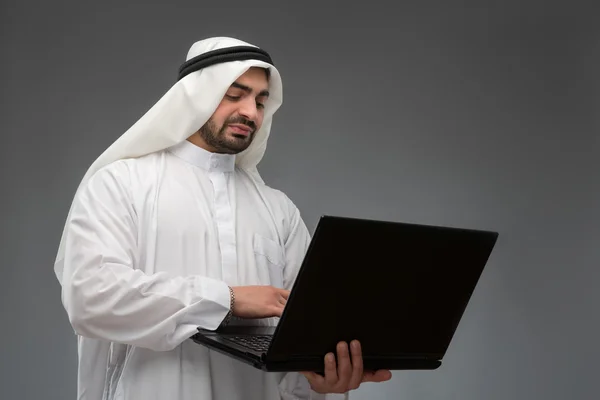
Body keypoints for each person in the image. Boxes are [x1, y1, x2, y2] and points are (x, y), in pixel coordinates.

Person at [54, 36, 392, 400]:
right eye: (235, 94)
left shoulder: (278, 212)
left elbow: (300, 340)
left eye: (261, 101)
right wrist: (226, 299)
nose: (251, 113)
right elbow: (90, 298)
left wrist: (322, 380)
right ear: (196, 95)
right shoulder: (122, 184)